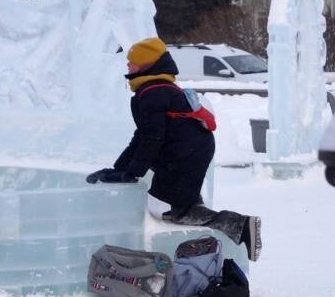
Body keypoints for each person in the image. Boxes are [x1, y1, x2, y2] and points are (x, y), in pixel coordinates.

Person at [87, 36, 262, 260]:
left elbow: (151, 137)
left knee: (180, 211)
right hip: (185, 152)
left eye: (132, 62)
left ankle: (242, 225)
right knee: (176, 201)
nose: (128, 65)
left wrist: (131, 173)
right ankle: (199, 217)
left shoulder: (152, 94)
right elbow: (142, 135)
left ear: (147, 65)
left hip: (185, 154)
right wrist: (119, 168)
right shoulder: (155, 90)